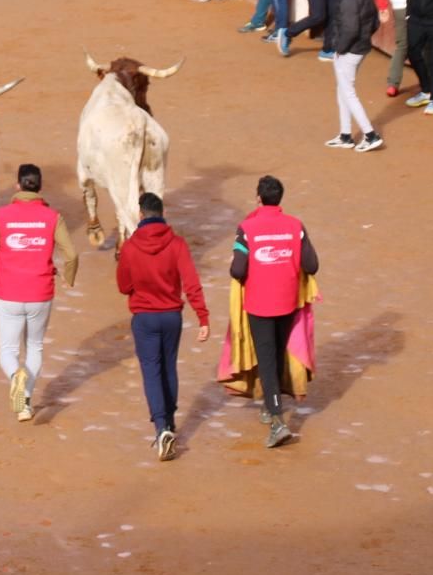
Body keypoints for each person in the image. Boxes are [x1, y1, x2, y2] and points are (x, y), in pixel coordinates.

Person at [0, 163, 79, 424]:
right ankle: (24, 405)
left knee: (7, 351)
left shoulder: (1, 216)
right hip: (41, 294)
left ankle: (15, 377)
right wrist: (69, 277)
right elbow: (71, 254)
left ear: (18, 186)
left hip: (9, 293)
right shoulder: (53, 217)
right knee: (34, 347)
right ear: (40, 187)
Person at [116, 192, 208, 462]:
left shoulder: (131, 248)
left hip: (144, 317)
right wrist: (203, 318)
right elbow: (191, 283)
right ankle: (170, 421)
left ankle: (161, 428)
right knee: (169, 368)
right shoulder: (177, 244)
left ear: (141, 215)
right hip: (172, 317)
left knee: (151, 372)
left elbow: (123, 286)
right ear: (162, 213)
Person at [230, 175, 319, 449]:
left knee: (267, 358)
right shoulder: (296, 226)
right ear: (280, 198)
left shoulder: (246, 228)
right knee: (278, 352)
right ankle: (270, 407)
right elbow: (312, 265)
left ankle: (278, 420)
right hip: (287, 302)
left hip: (259, 304)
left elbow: (238, 270)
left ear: (259, 197)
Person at [327, 0, 384, 151]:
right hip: (359, 47)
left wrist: (340, 48)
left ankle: (370, 135)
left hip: (349, 50)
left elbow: (350, 29)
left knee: (348, 92)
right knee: (342, 90)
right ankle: (345, 135)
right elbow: (375, 22)